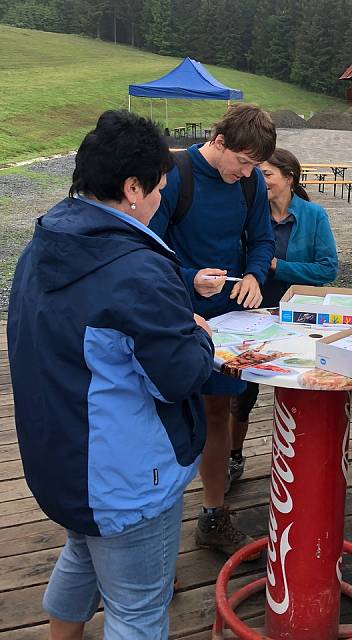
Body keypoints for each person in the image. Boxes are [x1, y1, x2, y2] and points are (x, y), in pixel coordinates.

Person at [7, 110, 215, 639]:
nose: (160, 201)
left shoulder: (44, 245)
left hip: (62, 461)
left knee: (82, 552)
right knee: (138, 610)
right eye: (158, 189)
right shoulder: (135, 270)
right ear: (130, 188)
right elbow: (179, 377)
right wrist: (199, 335)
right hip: (122, 477)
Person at [150, 104, 276, 557]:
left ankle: (212, 512)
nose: (246, 174)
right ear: (218, 142)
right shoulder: (178, 174)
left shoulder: (252, 183)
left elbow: (261, 240)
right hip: (179, 316)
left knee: (219, 409)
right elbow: (149, 248)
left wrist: (254, 276)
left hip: (229, 321)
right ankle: (154, 530)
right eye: (242, 162)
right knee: (165, 415)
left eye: (254, 167)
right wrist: (188, 279)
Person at [229, 148, 338, 483]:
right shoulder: (248, 212)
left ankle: (305, 462)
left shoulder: (314, 215)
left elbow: (328, 268)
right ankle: (234, 458)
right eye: (257, 174)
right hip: (251, 316)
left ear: (289, 178)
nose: (260, 181)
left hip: (298, 319)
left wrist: (278, 266)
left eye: (267, 174)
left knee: (298, 388)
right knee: (240, 394)